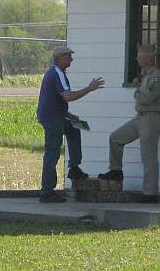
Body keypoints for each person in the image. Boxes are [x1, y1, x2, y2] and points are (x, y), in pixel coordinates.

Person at [98, 44, 160, 203]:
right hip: (140, 117)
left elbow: (147, 98)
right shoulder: (144, 75)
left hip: (151, 118)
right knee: (116, 138)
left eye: (140, 56)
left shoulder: (156, 76)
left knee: (148, 156)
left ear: (148, 58)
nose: (137, 59)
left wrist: (137, 91)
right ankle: (115, 170)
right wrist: (139, 86)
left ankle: (150, 193)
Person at [37, 45, 105, 203]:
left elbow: (54, 99)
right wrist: (89, 88)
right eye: (69, 56)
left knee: (74, 130)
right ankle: (46, 191)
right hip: (53, 119)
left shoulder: (54, 72)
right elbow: (67, 97)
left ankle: (74, 168)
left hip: (55, 115)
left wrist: (68, 115)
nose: (71, 59)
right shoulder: (58, 73)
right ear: (61, 58)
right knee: (52, 153)